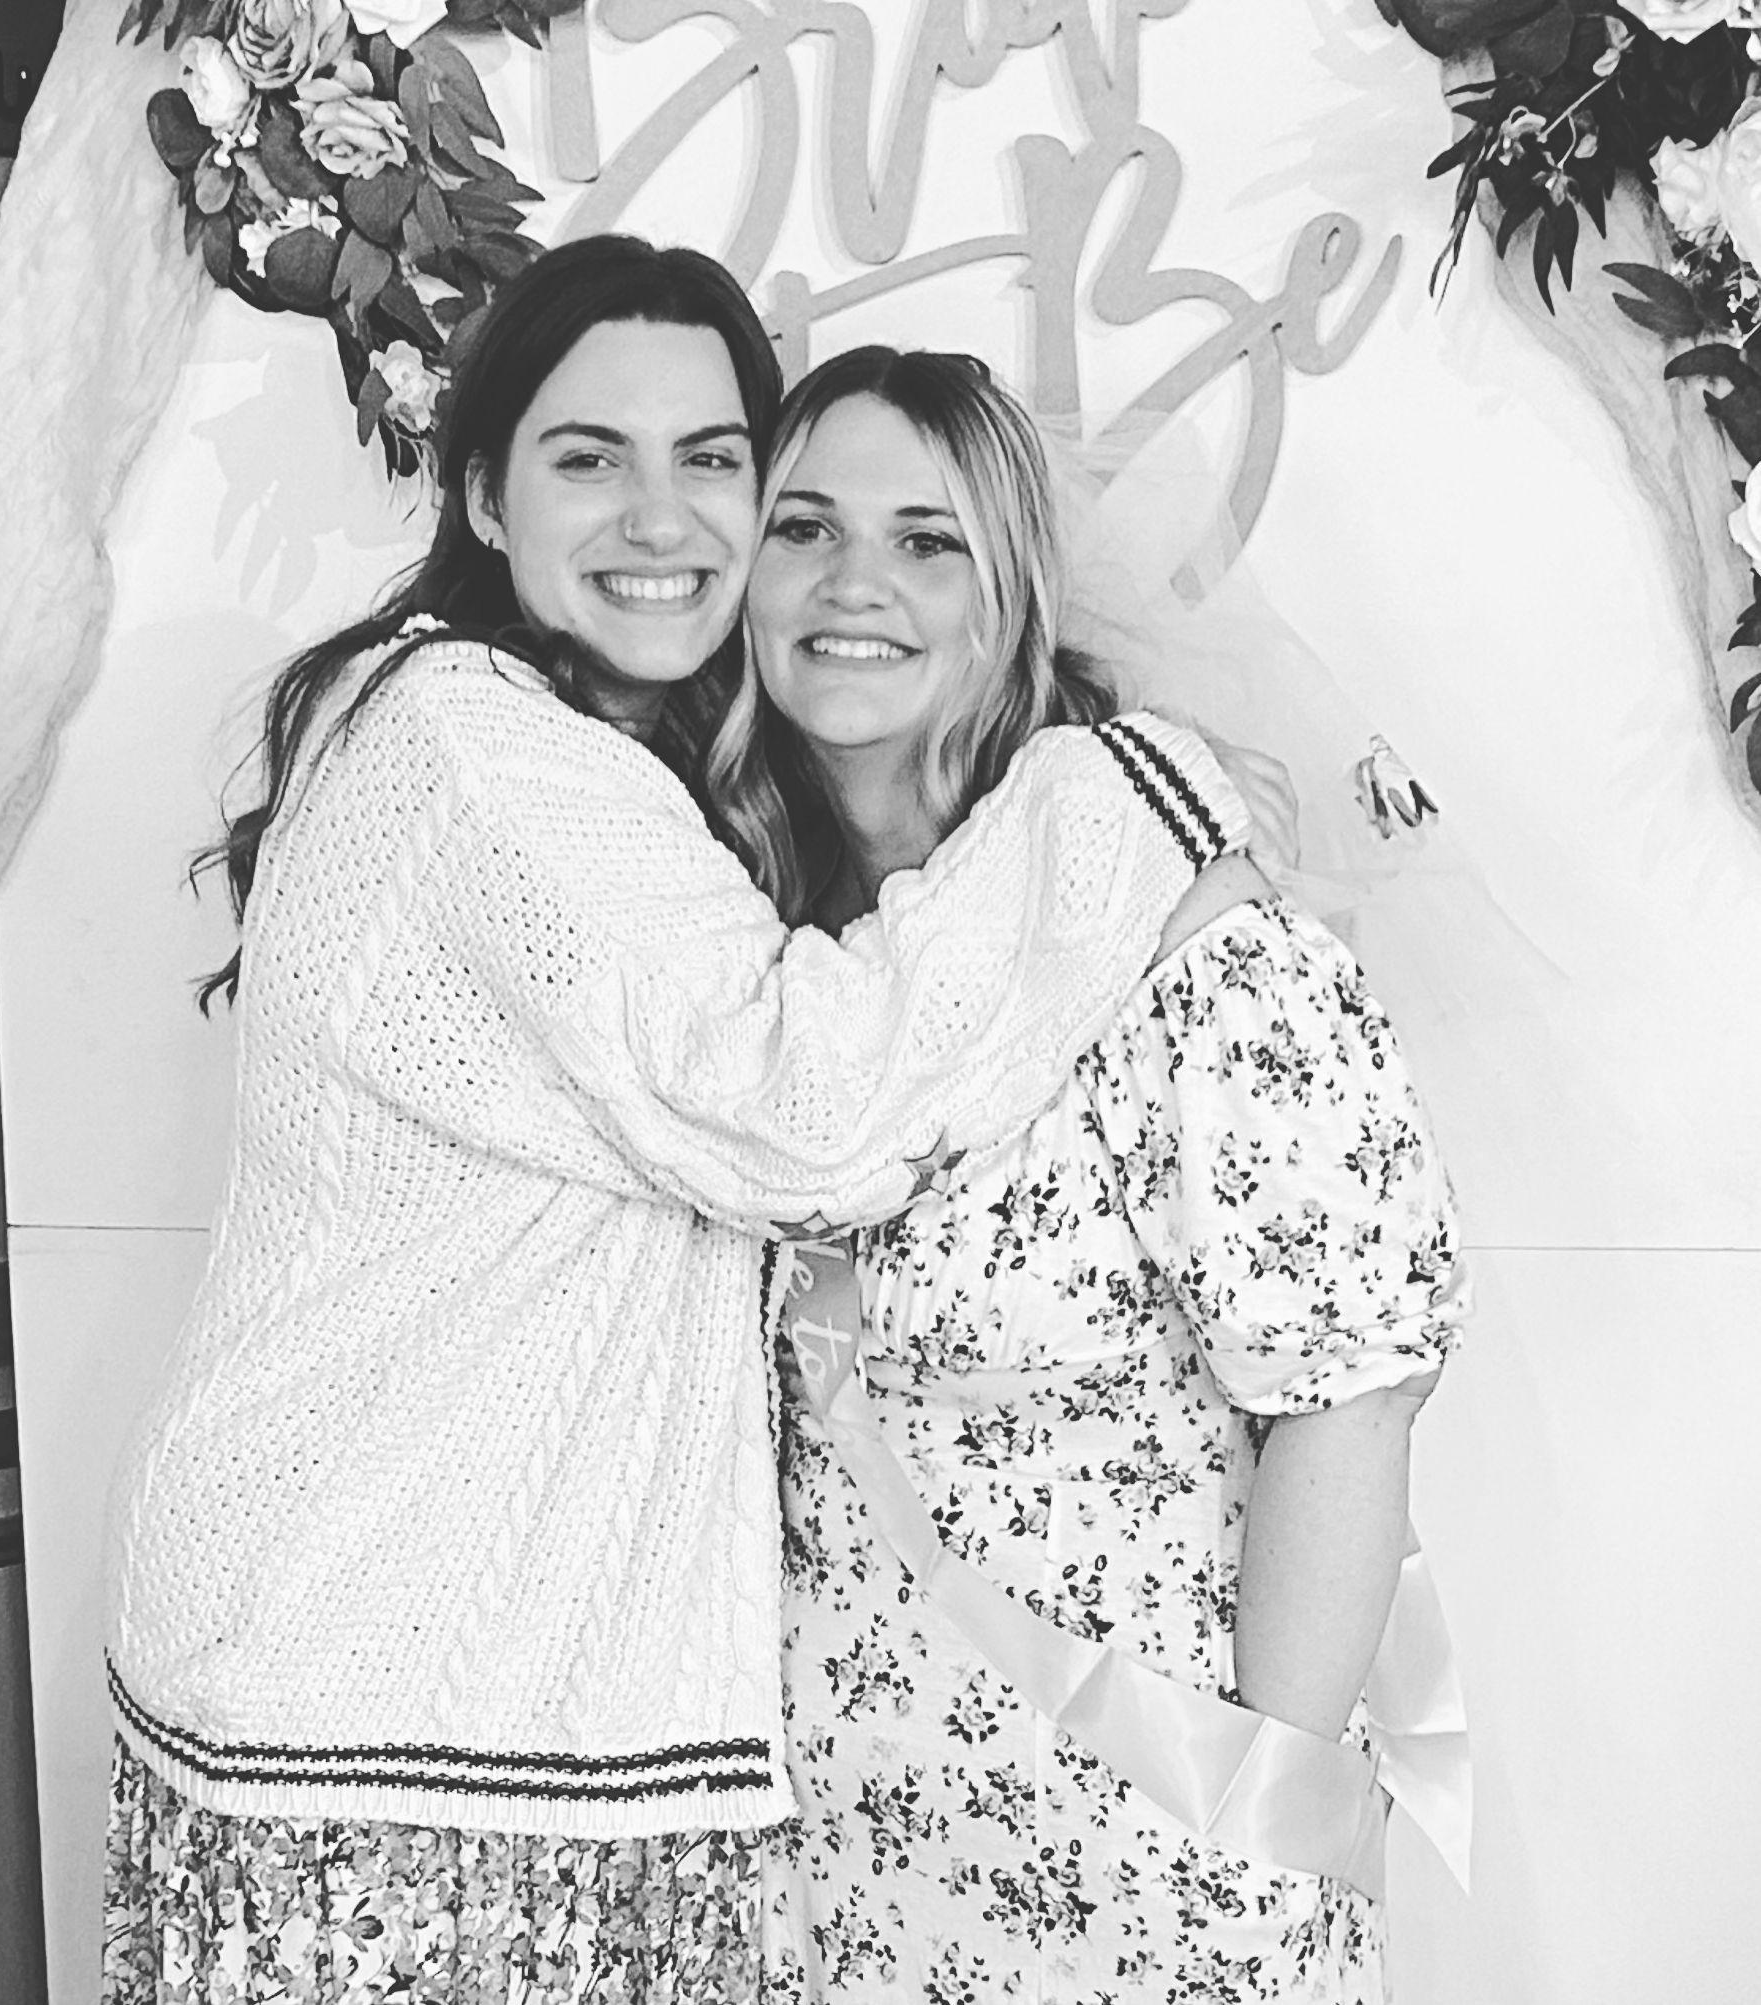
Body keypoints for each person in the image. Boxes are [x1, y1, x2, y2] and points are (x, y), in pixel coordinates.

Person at [100, 243, 1255, 2003]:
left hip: (429, 1701)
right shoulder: (488, 757)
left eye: (712, 459)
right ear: (484, 494)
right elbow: (805, 1112)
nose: (662, 516)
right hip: (401, 1727)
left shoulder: (545, 745)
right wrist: (1118, 795)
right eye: (589, 457)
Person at [711, 348, 1467, 2003]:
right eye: (802, 527)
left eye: (926, 541)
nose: (852, 581)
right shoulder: (740, 949)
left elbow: (1347, 1393)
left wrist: (1255, 1824)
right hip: (826, 1863)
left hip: (1141, 1854)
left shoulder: (1186, 937)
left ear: (1010, 596)